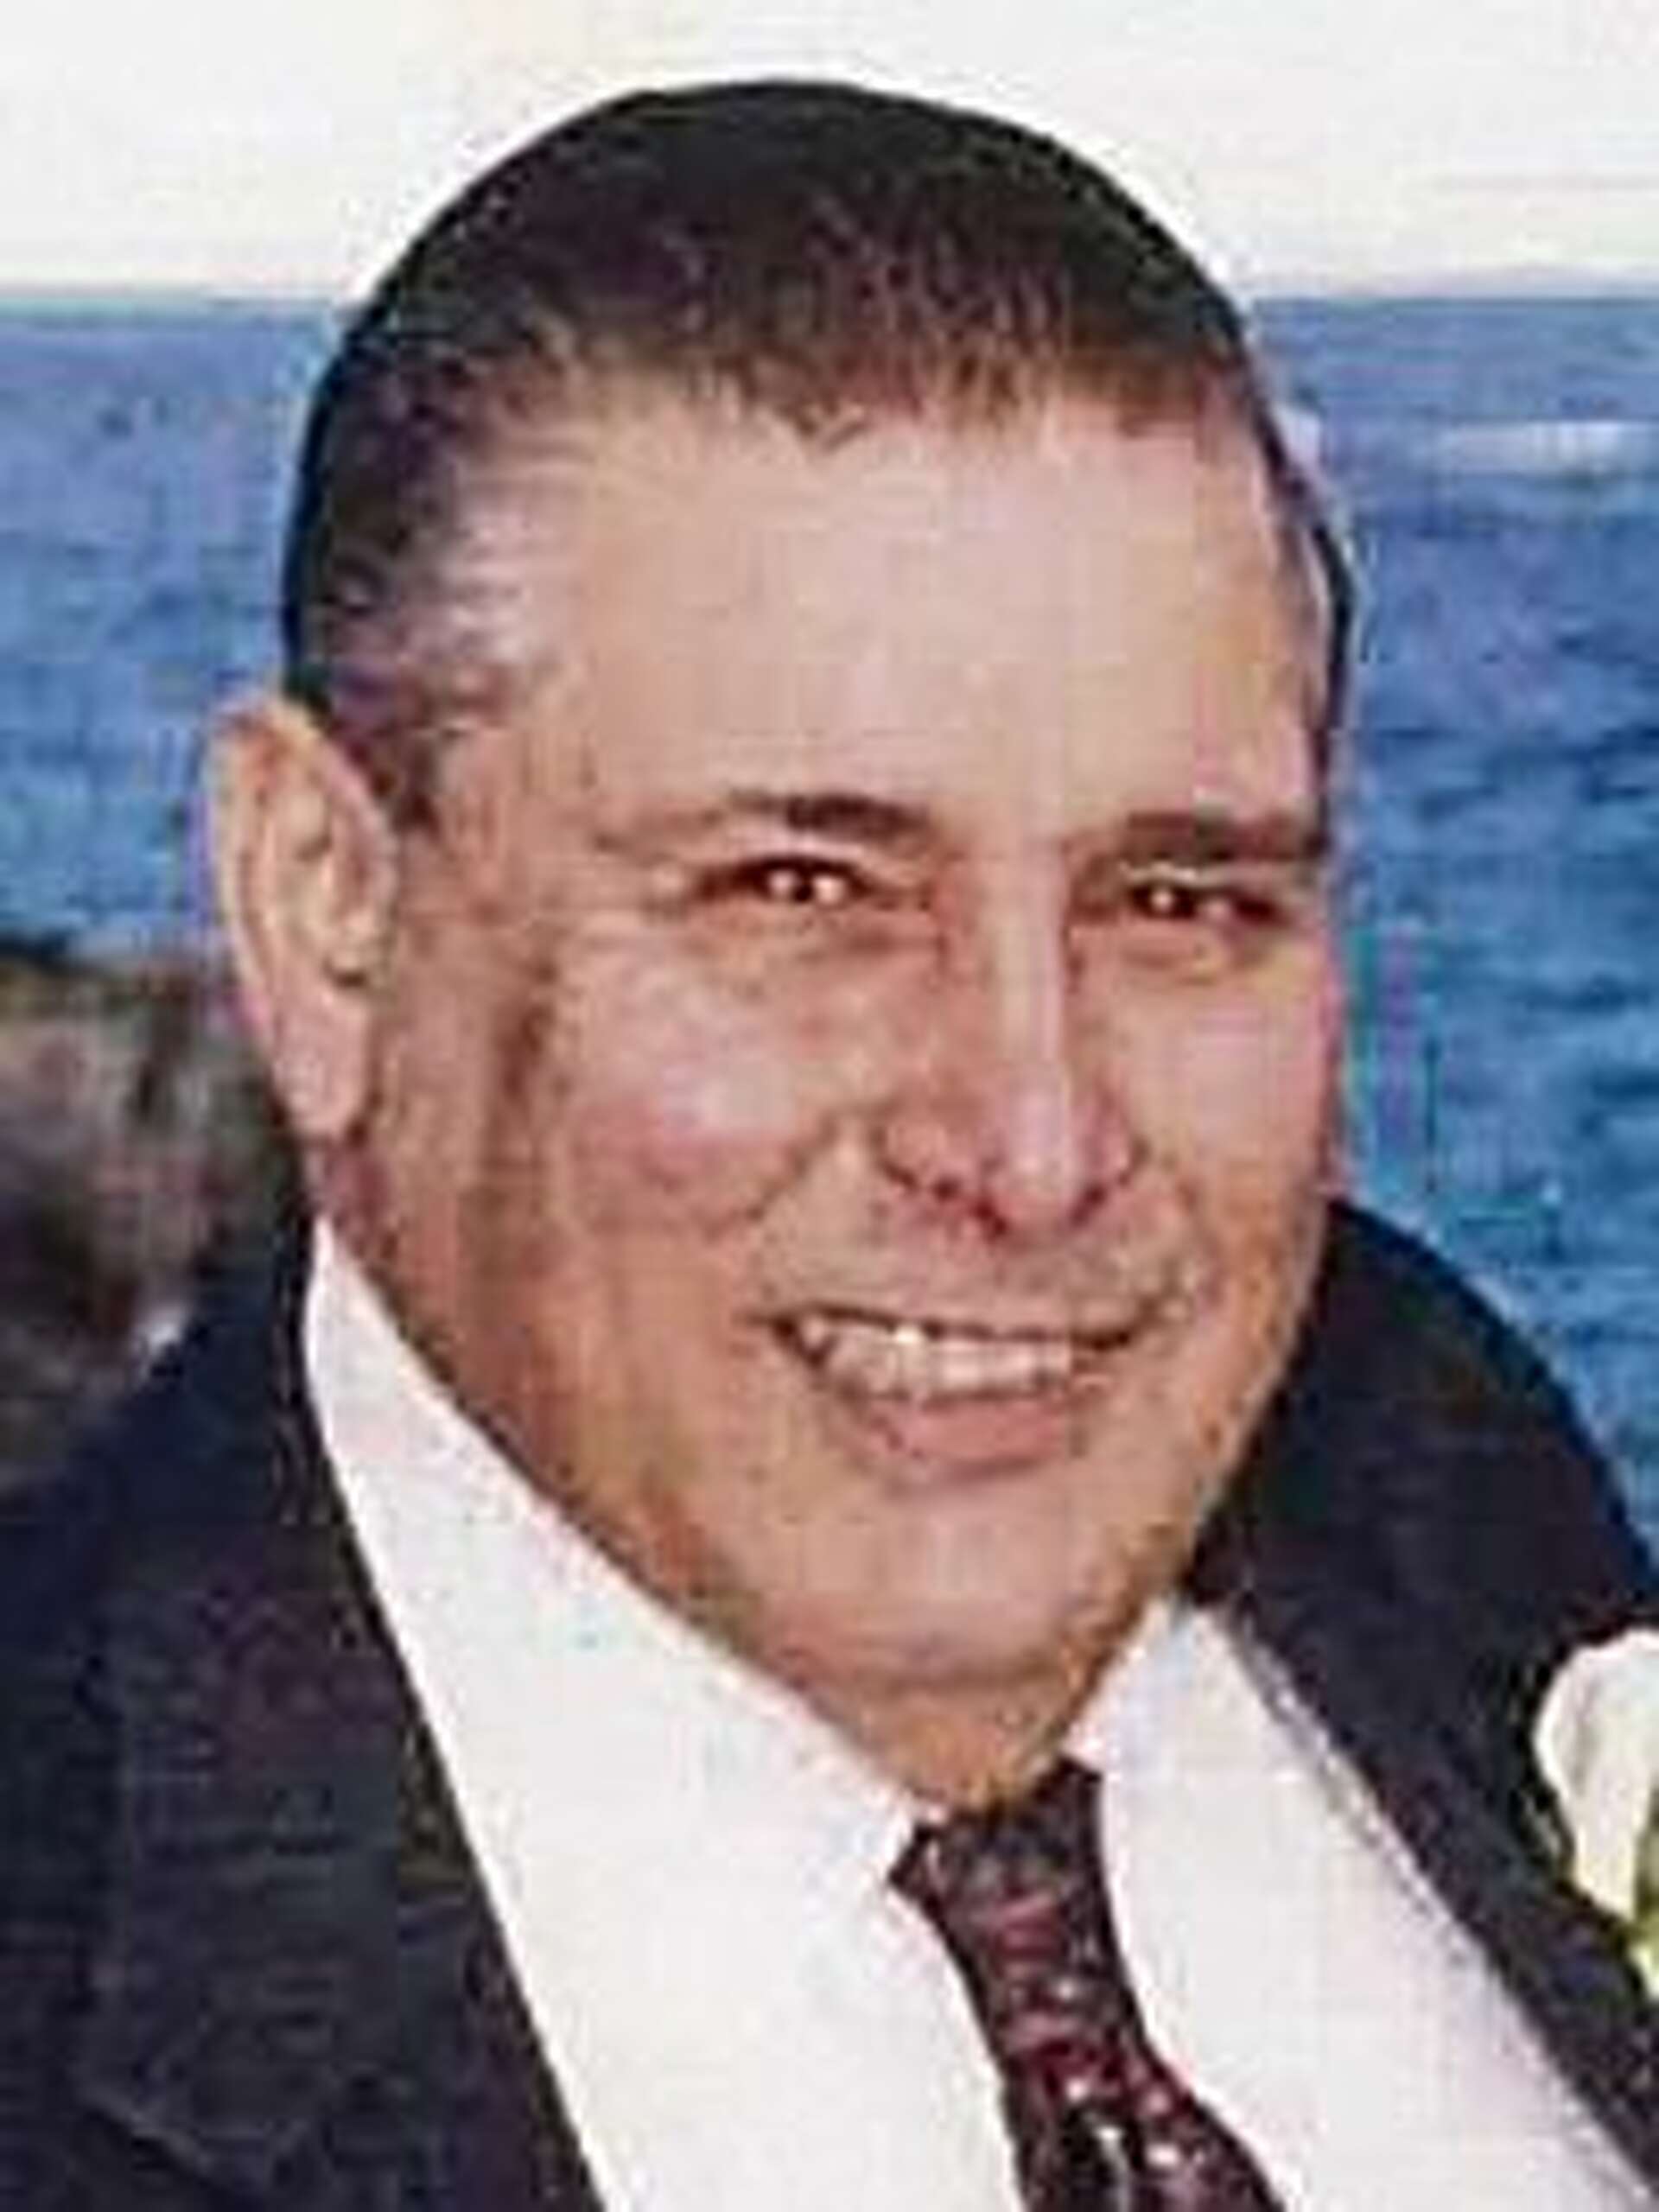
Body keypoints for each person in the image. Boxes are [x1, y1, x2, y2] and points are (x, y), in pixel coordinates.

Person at [3, 79, 1656, 2209]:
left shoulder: (1423, 1455)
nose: (1036, 1146)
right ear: (330, 910)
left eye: (1179, 901)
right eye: (803, 893)